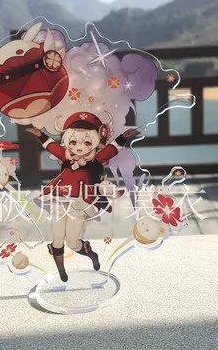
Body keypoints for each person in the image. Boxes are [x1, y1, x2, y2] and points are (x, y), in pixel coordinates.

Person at [26, 111, 139, 282]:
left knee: (72, 242)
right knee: (57, 240)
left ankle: (89, 252)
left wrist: (124, 137)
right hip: (58, 198)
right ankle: (61, 270)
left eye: (87, 142)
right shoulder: (66, 156)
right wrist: (40, 135)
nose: (79, 147)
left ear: (95, 141)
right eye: (73, 142)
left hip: (80, 202)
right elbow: (52, 146)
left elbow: (111, 150)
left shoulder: (96, 160)